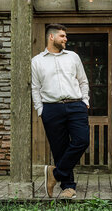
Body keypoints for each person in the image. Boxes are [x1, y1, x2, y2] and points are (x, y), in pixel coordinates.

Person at [31, 23, 90, 199]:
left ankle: (54, 174)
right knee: (59, 149)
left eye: (65, 36)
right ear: (51, 37)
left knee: (82, 140)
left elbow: (83, 81)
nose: (66, 39)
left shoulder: (73, 57)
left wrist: (85, 101)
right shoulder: (37, 61)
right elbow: (35, 88)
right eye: (62, 36)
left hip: (75, 105)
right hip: (51, 108)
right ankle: (68, 188)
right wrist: (41, 110)